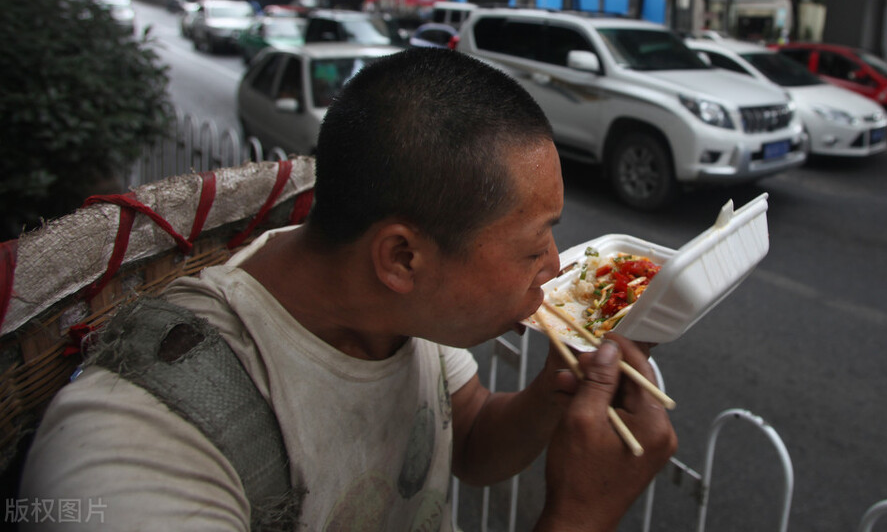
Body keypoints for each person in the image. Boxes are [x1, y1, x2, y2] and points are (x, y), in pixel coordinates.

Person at [19, 49, 677, 530]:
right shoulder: (142, 448)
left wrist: (550, 399)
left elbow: (468, 437)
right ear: (402, 256)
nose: (555, 268)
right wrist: (579, 516)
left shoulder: (400, 310)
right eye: (534, 245)